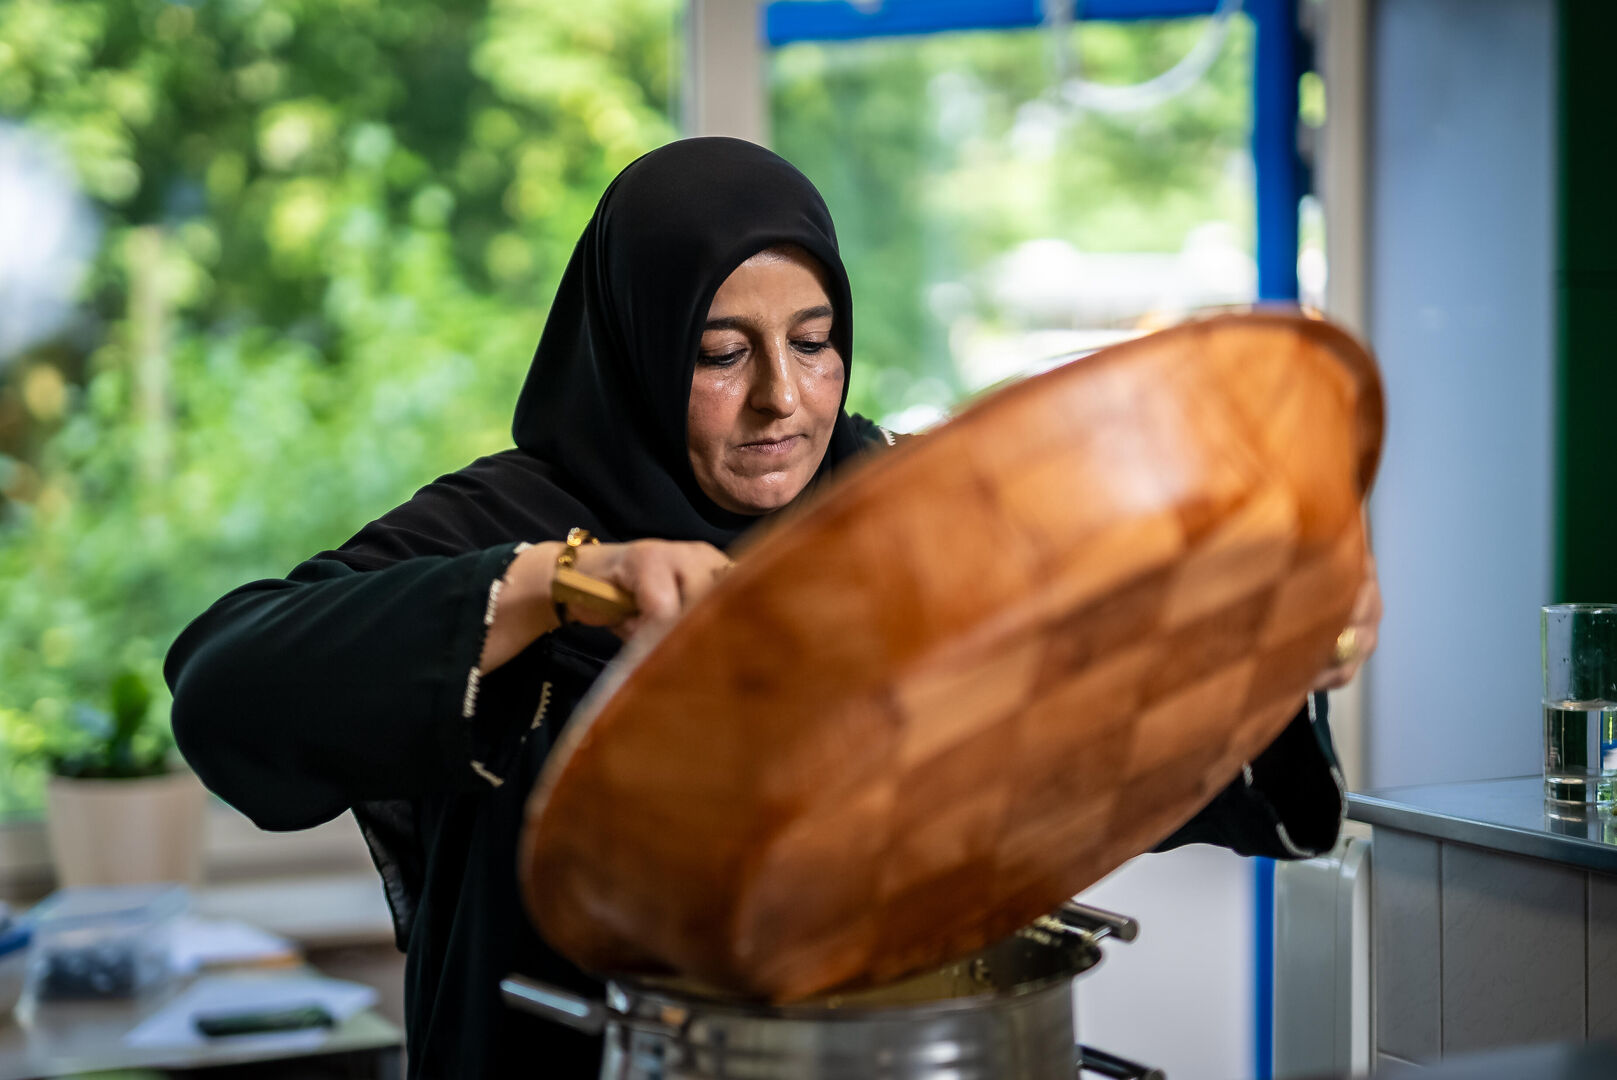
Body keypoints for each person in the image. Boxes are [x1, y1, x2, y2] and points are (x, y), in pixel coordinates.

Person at [165, 137, 1380, 1078]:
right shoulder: (517, 515)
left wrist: (1274, 643)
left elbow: (1078, 734)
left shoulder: (894, 507)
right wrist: (561, 581)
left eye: (814, 341)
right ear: (641, 345)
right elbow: (227, 683)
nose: (781, 402)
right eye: (720, 352)